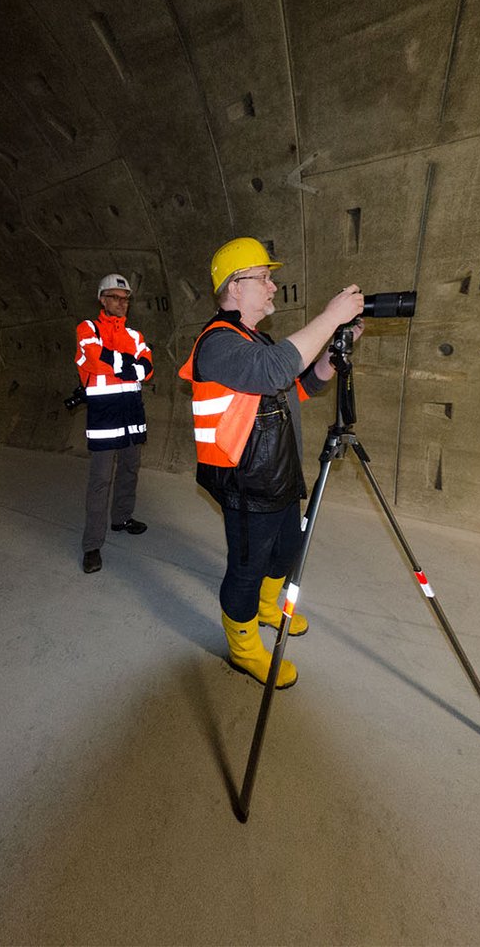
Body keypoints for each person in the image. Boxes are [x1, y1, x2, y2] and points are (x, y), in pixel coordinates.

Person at [179, 238, 363, 688]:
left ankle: (266, 608)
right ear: (234, 287)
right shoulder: (217, 344)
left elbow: (293, 389)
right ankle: (243, 647)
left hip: (278, 472)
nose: (273, 286)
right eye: (263, 277)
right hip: (245, 479)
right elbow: (273, 370)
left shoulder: (254, 340)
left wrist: (329, 360)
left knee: (286, 550)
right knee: (245, 568)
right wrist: (329, 317)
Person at [76, 273, 154, 574]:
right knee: (100, 480)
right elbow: (95, 360)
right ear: (102, 299)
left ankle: (122, 517)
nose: (122, 303)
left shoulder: (135, 336)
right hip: (105, 417)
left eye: (126, 299)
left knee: (130, 469)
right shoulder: (87, 329)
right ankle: (92, 545)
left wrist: (118, 365)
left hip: (132, 414)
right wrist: (128, 366)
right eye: (115, 298)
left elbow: (146, 369)